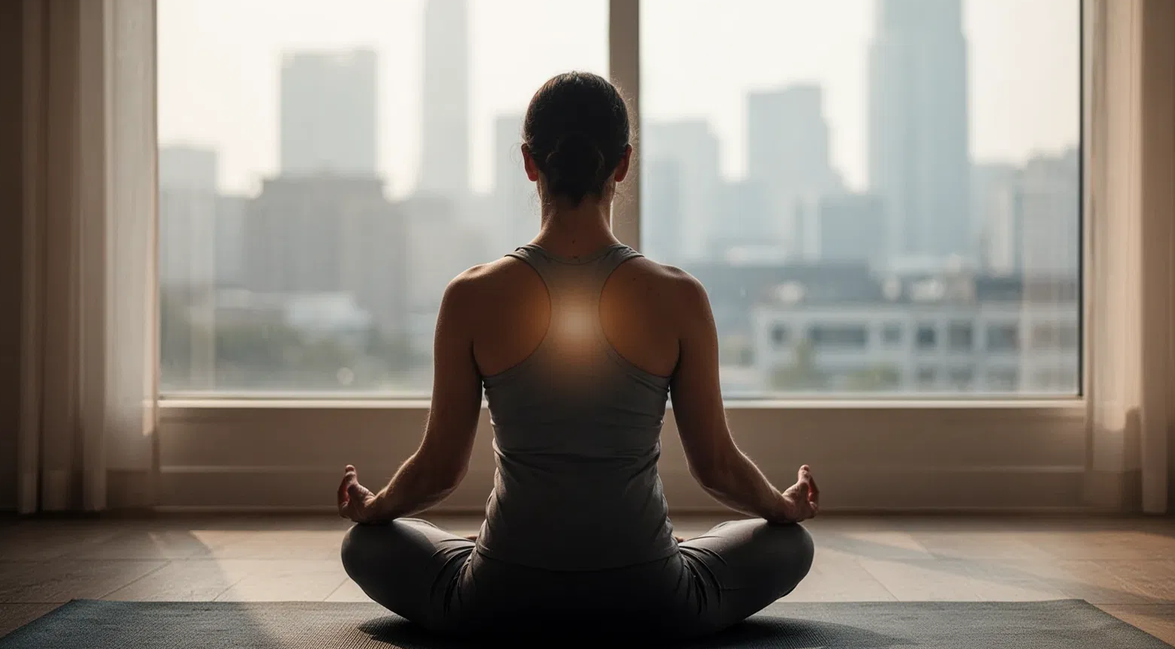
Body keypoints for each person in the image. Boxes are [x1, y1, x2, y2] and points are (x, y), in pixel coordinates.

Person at [338, 71, 818, 642]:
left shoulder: (471, 295)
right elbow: (716, 467)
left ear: (528, 162)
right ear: (622, 164)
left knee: (364, 543)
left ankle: (503, 548)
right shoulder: (678, 296)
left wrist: (377, 507)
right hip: (652, 601)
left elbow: (440, 471)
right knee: (791, 543)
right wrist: (781, 508)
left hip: (499, 601)